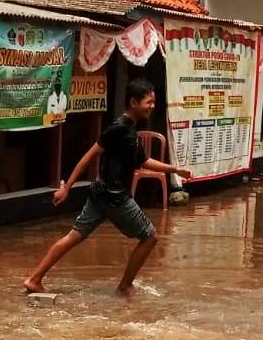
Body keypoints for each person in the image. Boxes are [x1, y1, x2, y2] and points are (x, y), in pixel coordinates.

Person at [23, 77, 192, 297]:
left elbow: (144, 161)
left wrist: (175, 170)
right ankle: (125, 285)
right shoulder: (118, 128)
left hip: (100, 195)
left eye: (153, 102)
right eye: (148, 102)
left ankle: (34, 279)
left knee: (74, 236)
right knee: (150, 237)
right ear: (133, 102)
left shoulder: (130, 129)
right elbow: (88, 157)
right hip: (115, 197)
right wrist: (67, 187)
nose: (152, 106)